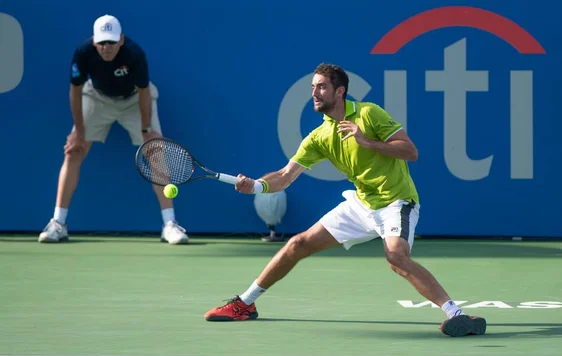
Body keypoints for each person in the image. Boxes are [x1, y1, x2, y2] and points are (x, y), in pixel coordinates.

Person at [204, 63, 486, 337]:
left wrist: (367, 143)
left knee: (396, 257)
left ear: (340, 92)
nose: (314, 93)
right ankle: (245, 304)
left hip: (396, 202)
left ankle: (458, 316)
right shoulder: (319, 136)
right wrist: (255, 187)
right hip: (361, 205)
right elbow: (285, 176)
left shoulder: (369, 113)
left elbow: (410, 151)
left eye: (322, 87)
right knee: (297, 244)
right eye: (313, 87)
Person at [38, 15, 188, 245]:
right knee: (73, 151)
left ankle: (170, 225)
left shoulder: (134, 54)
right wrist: (78, 130)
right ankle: (58, 223)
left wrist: (147, 128)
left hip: (134, 101)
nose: (106, 48)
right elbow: (75, 90)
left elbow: (144, 91)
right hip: (97, 99)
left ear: (121, 39)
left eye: (110, 42)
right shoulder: (83, 52)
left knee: (155, 152)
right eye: (101, 43)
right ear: (94, 41)